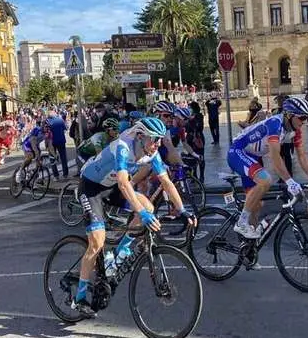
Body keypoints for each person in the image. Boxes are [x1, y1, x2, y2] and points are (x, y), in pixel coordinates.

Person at [73, 117, 194, 318]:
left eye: (160, 140)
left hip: (111, 187)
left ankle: (121, 251)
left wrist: (183, 210)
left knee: (147, 204)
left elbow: (166, 182)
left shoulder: (151, 154)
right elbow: (123, 182)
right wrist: (143, 214)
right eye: (154, 139)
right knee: (97, 242)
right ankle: (79, 297)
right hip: (91, 187)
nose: (157, 144)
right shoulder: (123, 146)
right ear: (140, 136)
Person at [227, 97, 308, 238]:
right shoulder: (275, 124)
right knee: (266, 180)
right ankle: (241, 223)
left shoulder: (295, 129)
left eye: (307, 117)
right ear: (289, 115)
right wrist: (290, 182)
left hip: (253, 157)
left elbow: (302, 156)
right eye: (302, 117)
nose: (305, 121)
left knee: (257, 205)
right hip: (238, 152)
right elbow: (275, 156)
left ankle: (249, 247)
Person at [186, 102, 206, 182]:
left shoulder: (199, 116)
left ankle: (201, 176)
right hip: (190, 138)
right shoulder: (188, 117)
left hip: (198, 138)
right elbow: (186, 128)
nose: (189, 109)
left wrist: (192, 120)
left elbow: (199, 127)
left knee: (200, 157)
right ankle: (194, 175)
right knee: (191, 157)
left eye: (190, 107)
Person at [47, 108, 70, 180]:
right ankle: (65, 175)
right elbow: (66, 128)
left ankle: (56, 176)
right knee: (63, 158)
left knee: (52, 159)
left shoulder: (48, 122)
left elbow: (45, 132)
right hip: (61, 141)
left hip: (52, 142)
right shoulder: (60, 120)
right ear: (55, 114)